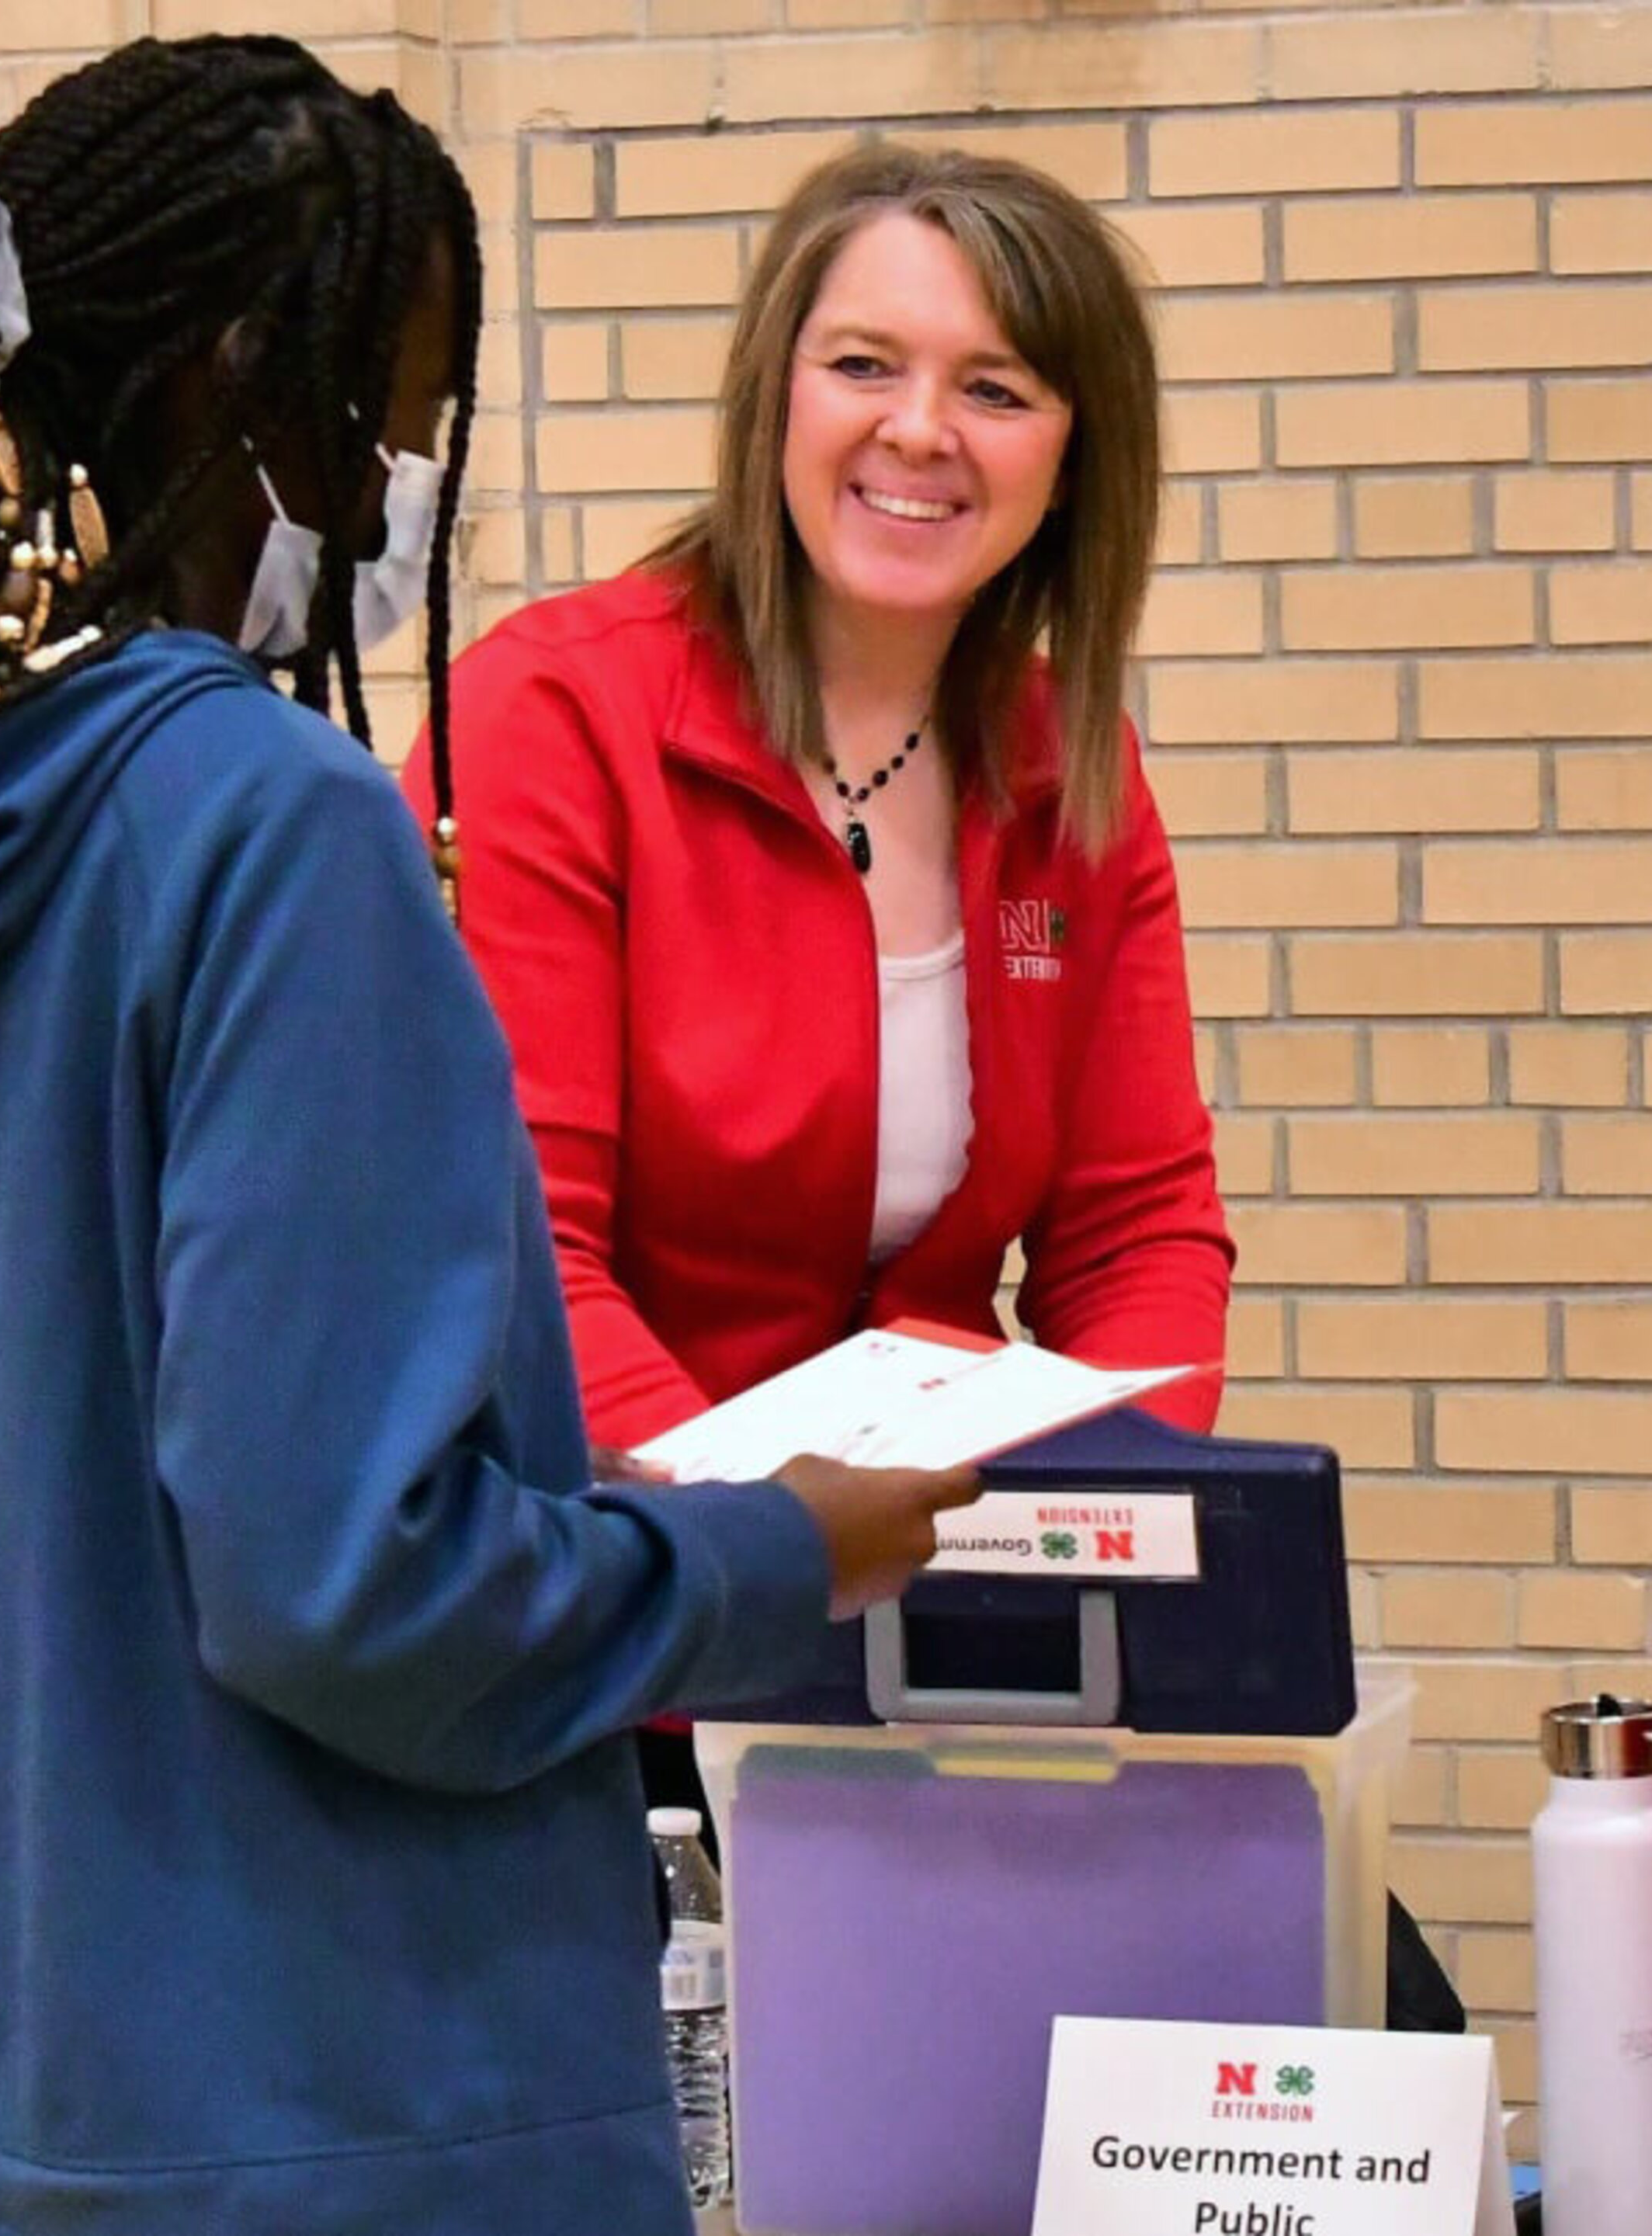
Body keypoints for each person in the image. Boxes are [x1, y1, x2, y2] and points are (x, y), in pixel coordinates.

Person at [0, 39, 972, 2236]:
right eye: (398, 407)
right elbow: (351, 1591)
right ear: (246, 379)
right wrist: (784, 1550)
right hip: (345, 2120)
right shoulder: (274, 826)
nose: (411, 472)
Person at [406, 144, 1234, 1811]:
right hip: (613, 1635)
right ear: (773, 398)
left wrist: (1093, 1523)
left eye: (995, 387)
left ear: (1072, 460)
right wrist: (774, 1555)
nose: (919, 431)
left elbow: (1136, 1232)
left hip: (930, 1621)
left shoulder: (1070, 769)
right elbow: (519, 1254)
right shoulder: (553, 720)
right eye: (864, 365)